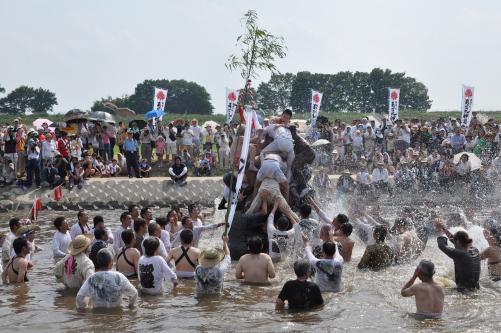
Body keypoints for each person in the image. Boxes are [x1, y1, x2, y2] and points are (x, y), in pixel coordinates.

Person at [435, 219, 481, 291]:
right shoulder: (475, 250)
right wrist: (444, 229)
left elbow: (442, 246)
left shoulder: (460, 254)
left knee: (435, 282)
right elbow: (455, 240)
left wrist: (439, 231)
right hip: (476, 289)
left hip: (464, 292)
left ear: (458, 242)